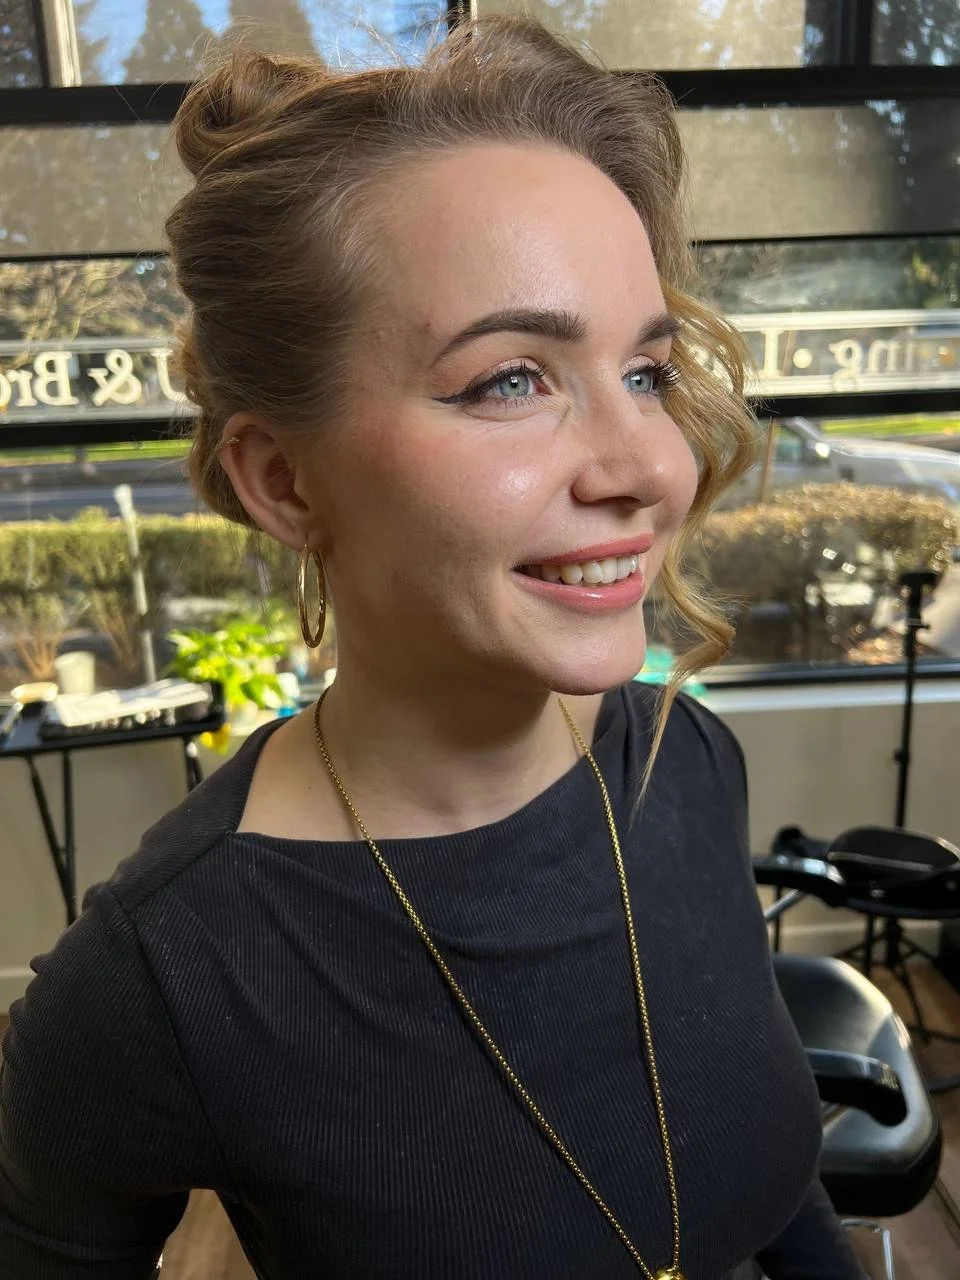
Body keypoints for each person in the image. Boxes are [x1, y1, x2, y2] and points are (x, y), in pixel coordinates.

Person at [0, 16, 869, 1280]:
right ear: (285, 480)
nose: (651, 468)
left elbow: (777, 1204)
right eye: (509, 379)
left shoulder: (682, 759)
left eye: (646, 370)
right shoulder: (161, 979)